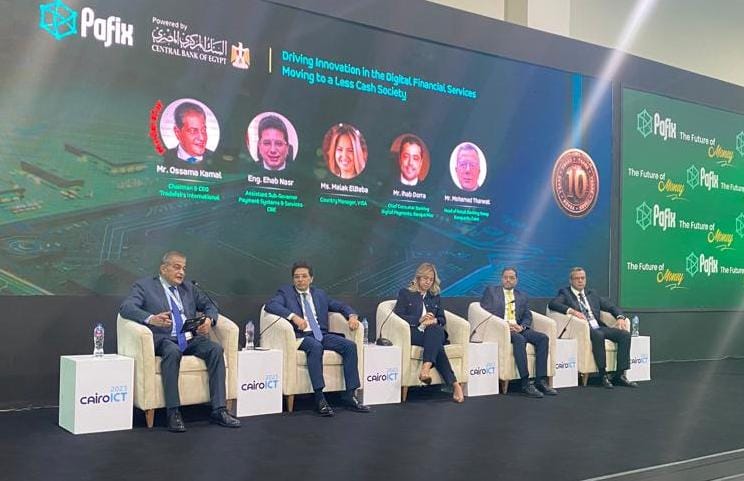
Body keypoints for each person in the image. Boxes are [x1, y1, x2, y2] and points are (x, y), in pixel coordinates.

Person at [119, 251, 241, 432]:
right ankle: (173, 412)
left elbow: (211, 305)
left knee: (215, 349)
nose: (181, 272)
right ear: (163, 269)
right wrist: (151, 318)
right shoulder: (145, 286)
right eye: (177, 267)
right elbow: (126, 307)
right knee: (172, 351)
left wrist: (209, 320)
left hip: (189, 338)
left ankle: (219, 410)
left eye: (184, 268)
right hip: (164, 338)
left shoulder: (188, 288)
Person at [264, 261, 370, 416]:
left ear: (311, 279)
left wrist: (352, 316)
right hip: (301, 336)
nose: (300, 280)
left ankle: (350, 395)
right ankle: (320, 398)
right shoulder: (286, 293)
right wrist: (293, 317)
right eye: (297, 277)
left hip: (321, 334)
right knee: (315, 346)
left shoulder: (320, 294)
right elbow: (271, 305)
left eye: (304, 276)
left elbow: (340, 306)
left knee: (349, 346)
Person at [548, 267, 638, 389]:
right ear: (571, 280)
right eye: (577, 278)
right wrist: (572, 311)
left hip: (598, 326)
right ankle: (603, 375)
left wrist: (620, 317)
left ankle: (619, 375)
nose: (580, 281)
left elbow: (611, 307)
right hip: (583, 329)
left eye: (582, 278)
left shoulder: (592, 294)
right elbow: (553, 304)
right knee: (598, 334)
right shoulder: (565, 293)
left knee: (624, 335)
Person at [480, 267, 557, 398]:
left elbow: (527, 316)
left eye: (511, 278)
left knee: (543, 338)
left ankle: (541, 380)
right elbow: (485, 312)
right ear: (501, 279)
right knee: (520, 340)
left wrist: (522, 327)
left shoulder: (522, 296)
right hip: (501, 329)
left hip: (518, 328)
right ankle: (525, 382)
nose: (508, 280)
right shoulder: (491, 291)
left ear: (516, 280)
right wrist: (504, 325)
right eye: (505, 277)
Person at [393, 263, 464, 403]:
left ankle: (425, 368)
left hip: (434, 332)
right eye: (425, 278)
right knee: (438, 347)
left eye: (431, 279)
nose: (428, 282)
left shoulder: (435, 296)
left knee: (435, 329)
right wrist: (419, 320)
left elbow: (442, 319)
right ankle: (455, 384)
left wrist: (434, 320)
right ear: (418, 278)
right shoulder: (405, 293)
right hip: (416, 333)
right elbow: (398, 315)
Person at [163, 102, 218, 170]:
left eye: (203, 130)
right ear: (177, 132)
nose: (202, 138)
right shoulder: (164, 158)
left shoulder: (216, 159)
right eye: (193, 131)